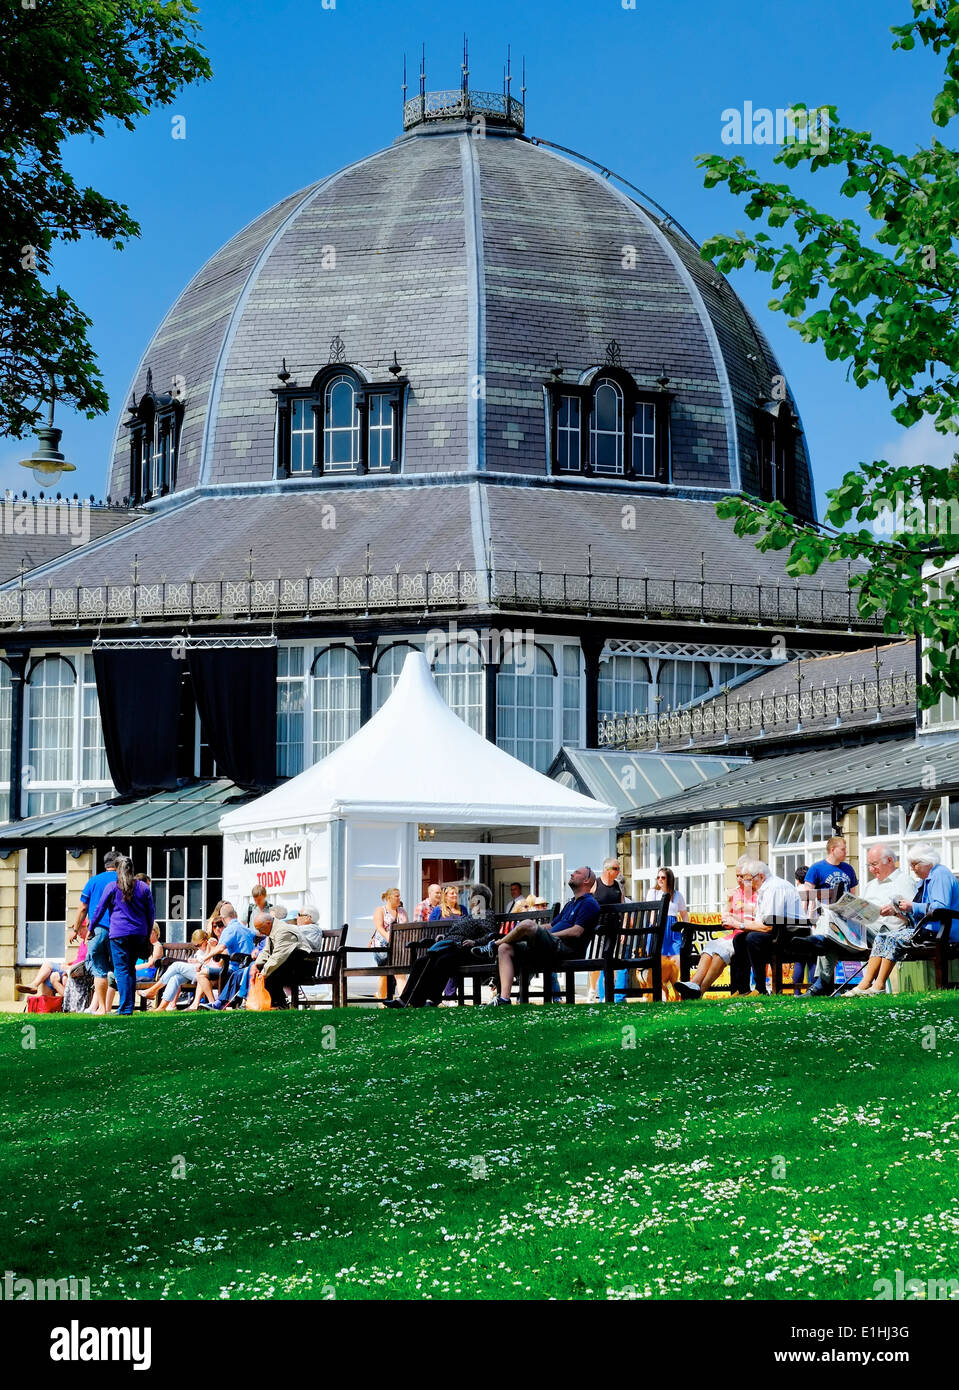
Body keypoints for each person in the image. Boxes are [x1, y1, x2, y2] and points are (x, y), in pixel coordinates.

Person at [475, 866, 600, 1006]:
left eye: (577, 873)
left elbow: (577, 931)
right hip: (550, 946)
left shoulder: (589, 903)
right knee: (505, 948)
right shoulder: (571, 903)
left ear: (587, 880)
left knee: (527, 924)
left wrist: (542, 933)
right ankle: (503, 998)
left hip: (565, 948)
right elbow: (551, 926)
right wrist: (536, 931)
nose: (572, 874)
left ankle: (493, 944)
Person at [849, 844, 959, 996]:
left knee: (893, 938)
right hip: (927, 930)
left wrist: (912, 906)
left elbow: (940, 908)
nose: (913, 869)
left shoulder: (940, 875)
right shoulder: (926, 880)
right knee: (882, 937)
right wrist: (898, 911)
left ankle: (879, 985)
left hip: (941, 932)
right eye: (911, 865)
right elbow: (920, 914)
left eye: (915, 864)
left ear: (927, 862)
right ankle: (866, 983)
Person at [815, 844, 914, 995]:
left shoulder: (904, 881)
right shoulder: (870, 885)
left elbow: (914, 917)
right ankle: (821, 984)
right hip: (863, 930)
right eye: (869, 865)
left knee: (830, 934)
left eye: (874, 864)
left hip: (886, 932)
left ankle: (817, 945)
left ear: (889, 860)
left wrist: (895, 911)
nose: (871, 869)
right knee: (831, 924)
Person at [386, 887, 496, 1008]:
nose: (469, 899)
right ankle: (405, 1000)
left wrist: (474, 942)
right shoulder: (470, 915)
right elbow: (454, 932)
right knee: (421, 962)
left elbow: (490, 935)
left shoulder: (486, 913)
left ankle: (432, 998)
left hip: (468, 950)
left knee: (442, 961)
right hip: (450, 946)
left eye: (471, 897)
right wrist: (443, 937)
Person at [736, 860, 831, 997]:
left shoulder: (775, 887)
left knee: (753, 938)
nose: (747, 884)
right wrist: (739, 923)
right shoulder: (764, 889)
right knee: (739, 939)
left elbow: (768, 926)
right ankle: (743, 989)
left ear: (761, 876)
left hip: (794, 935)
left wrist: (740, 925)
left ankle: (760, 988)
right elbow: (762, 921)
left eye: (748, 880)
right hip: (780, 931)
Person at [88, 855, 155, 1016]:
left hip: (119, 933)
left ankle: (125, 1008)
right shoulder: (143, 888)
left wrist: (91, 928)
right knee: (130, 969)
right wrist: (147, 932)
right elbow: (151, 913)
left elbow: (99, 909)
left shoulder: (113, 887)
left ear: (117, 870)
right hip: (139, 933)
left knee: (122, 970)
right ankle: (129, 1006)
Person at [803, 836, 859, 994]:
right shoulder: (817, 868)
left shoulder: (848, 869)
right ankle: (821, 984)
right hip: (825, 916)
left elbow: (853, 894)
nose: (846, 852)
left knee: (830, 945)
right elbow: (807, 894)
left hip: (847, 917)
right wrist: (810, 918)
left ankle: (822, 985)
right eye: (843, 849)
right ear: (832, 849)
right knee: (825, 943)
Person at [77, 849, 119, 1016]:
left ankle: (101, 1008)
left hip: (98, 931)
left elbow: (82, 907)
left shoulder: (94, 881)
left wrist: (76, 928)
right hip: (119, 930)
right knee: (120, 969)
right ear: (118, 864)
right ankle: (122, 1006)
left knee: (99, 969)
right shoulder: (123, 880)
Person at [251, 911, 318, 1009]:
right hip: (291, 965)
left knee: (270, 974)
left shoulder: (283, 931)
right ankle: (278, 1004)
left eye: (260, 929)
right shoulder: (273, 930)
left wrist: (264, 973)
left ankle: (279, 1005)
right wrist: (256, 965)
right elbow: (266, 952)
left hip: (305, 967)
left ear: (268, 923)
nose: (260, 932)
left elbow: (278, 957)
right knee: (267, 971)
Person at [144, 930, 210, 1011]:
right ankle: (162, 1007)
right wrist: (192, 960)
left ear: (205, 940)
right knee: (175, 978)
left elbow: (209, 961)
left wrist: (199, 961)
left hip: (203, 973)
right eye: (195, 946)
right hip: (194, 972)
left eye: (199, 945)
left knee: (176, 965)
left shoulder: (210, 946)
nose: (197, 947)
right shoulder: (200, 950)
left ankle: (154, 989)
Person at [588, 857, 625, 1001]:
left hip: (614, 929)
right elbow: (588, 904)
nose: (618, 871)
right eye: (615, 869)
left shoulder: (618, 886)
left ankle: (607, 993)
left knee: (613, 963)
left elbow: (623, 908)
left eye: (618, 868)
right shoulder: (595, 884)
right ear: (607, 870)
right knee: (596, 961)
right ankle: (592, 991)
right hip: (598, 929)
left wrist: (623, 929)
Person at [211, 903, 260, 1009]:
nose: (218, 928)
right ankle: (217, 1002)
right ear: (235, 915)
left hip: (240, 965)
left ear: (223, 919)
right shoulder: (244, 928)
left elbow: (220, 948)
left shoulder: (230, 929)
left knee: (202, 974)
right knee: (236, 974)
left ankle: (215, 1002)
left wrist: (203, 960)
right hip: (247, 963)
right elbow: (258, 935)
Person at [372, 887, 408, 1002]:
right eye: (396, 896)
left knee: (400, 973)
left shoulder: (402, 911)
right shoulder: (380, 910)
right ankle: (382, 999)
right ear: (389, 898)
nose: (399, 898)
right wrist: (389, 937)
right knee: (384, 973)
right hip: (382, 946)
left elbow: (406, 927)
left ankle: (404, 1000)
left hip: (398, 946)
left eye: (399, 896)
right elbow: (379, 927)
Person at [792, 866, 818, 995]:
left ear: (797, 879)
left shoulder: (793, 891)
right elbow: (813, 915)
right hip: (811, 930)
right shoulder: (813, 892)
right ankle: (812, 989)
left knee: (799, 960)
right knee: (812, 960)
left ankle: (796, 991)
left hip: (796, 931)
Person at [62, 920, 94, 1014]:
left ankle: (73, 1007)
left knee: (53, 968)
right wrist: (69, 964)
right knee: (60, 976)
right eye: (77, 930)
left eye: (80, 929)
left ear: (86, 928)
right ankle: (70, 1007)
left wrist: (68, 967)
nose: (78, 932)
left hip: (83, 970)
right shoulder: (82, 944)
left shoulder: (89, 942)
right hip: (76, 968)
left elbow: (86, 960)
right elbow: (78, 959)